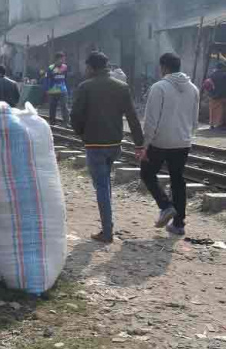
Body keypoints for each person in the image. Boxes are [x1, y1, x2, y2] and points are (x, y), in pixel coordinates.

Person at [71, 51, 144, 243]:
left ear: (91, 67)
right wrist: (139, 143)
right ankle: (108, 224)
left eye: (87, 67)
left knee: (102, 186)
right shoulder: (121, 87)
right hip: (114, 144)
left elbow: (75, 115)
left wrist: (81, 133)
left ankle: (107, 231)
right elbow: (133, 117)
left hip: (94, 144)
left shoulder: (85, 87)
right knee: (105, 183)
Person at [139, 53, 199, 236]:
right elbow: (194, 120)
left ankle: (165, 206)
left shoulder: (159, 87)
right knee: (178, 180)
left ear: (163, 67)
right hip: (183, 142)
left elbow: (151, 120)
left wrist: (145, 144)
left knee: (147, 173)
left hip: (160, 141)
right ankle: (179, 224)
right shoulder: (193, 89)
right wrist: (188, 136)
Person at [45, 52, 70, 126]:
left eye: (63, 59)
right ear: (56, 59)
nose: (63, 61)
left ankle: (66, 122)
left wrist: (68, 88)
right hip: (53, 90)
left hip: (63, 90)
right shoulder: (50, 68)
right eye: (61, 59)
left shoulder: (65, 67)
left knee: (64, 106)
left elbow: (66, 78)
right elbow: (46, 79)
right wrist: (47, 89)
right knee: (52, 107)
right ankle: (52, 122)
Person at [206, 62, 226, 130]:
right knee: (221, 110)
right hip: (222, 96)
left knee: (212, 110)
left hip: (212, 96)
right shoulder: (224, 75)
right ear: (222, 68)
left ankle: (212, 124)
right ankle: (220, 124)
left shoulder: (211, 74)